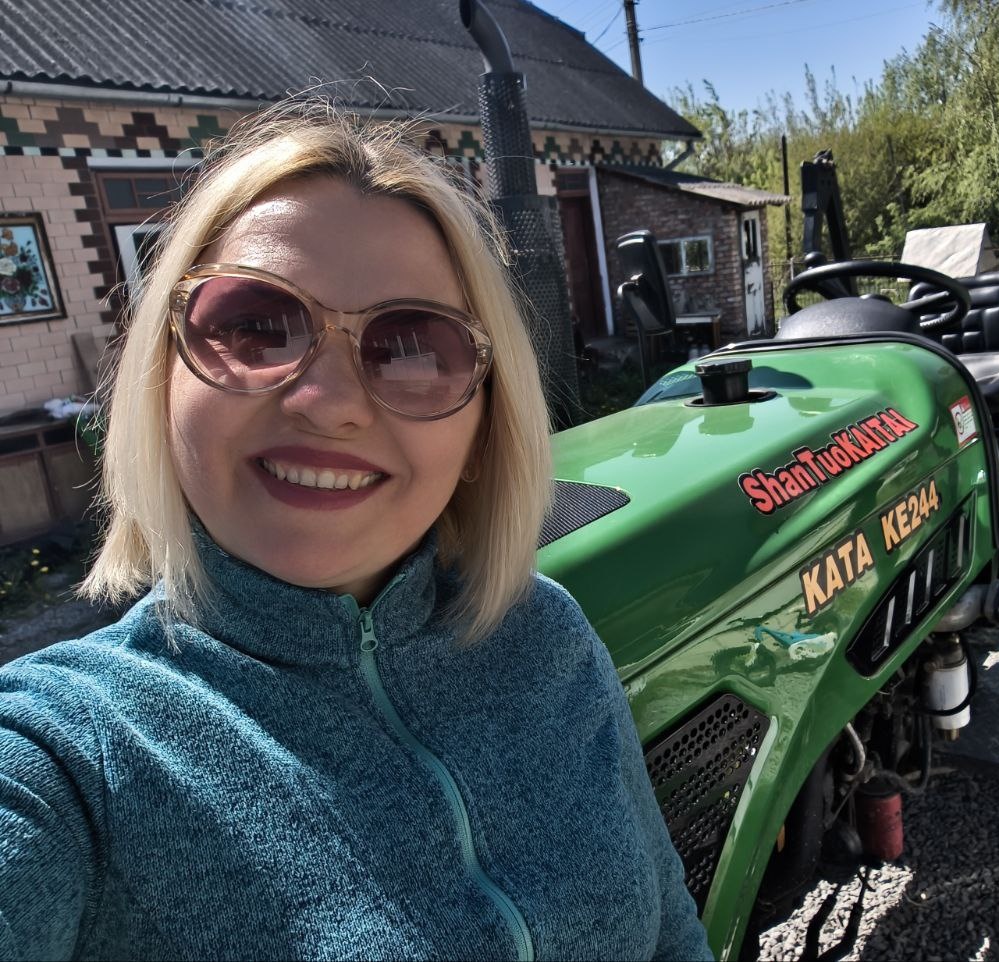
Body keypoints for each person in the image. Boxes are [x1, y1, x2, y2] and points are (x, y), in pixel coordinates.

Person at [0, 103, 712, 962]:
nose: (329, 403)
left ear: (485, 428)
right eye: (254, 327)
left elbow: (671, 930)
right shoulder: (70, 759)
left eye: (413, 345)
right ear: (162, 374)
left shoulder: (545, 630)